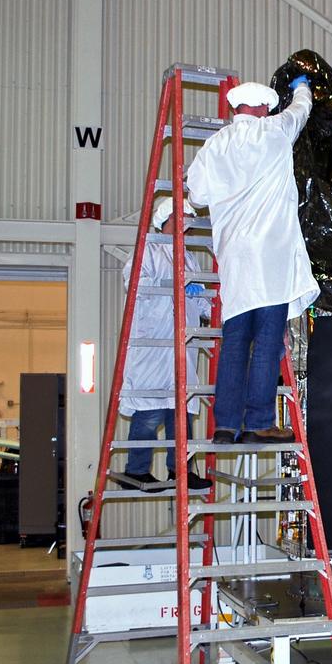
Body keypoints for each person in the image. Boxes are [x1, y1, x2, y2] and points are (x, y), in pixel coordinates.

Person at [186, 75, 317, 444]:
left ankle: (225, 425)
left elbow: (196, 193)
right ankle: (259, 420)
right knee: (266, 342)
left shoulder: (214, 146)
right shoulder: (273, 131)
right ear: (261, 108)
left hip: (235, 260)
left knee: (234, 342)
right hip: (271, 259)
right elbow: (300, 111)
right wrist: (303, 87)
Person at [119, 196, 213, 490]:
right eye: (181, 218)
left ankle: (180, 471)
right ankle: (136, 471)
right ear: (167, 219)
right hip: (153, 344)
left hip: (179, 344)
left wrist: (207, 305)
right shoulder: (148, 249)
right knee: (149, 411)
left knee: (180, 412)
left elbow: (196, 296)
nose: (185, 225)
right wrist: (174, 285)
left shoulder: (187, 256)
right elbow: (134, 284)